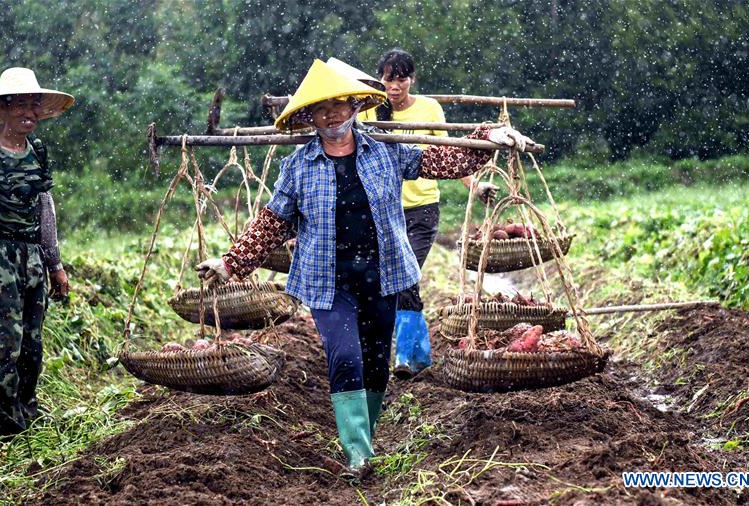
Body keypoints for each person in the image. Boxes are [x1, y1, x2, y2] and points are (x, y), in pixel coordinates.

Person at [196, 59, 531, 472]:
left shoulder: (385, 151)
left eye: (341, 105)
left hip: (383, 274)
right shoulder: (299, 166)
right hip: (328, 282)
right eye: (322, 108)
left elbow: (442, 162)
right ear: (310, 117)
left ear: (355, 106)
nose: (333, 114)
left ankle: (365, 434)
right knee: (345, 356)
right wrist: (229, 264)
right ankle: (356, 451)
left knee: (375, 361)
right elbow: (272, 222)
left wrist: (488, 136)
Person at [360, 49, 497, 379]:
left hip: (422, 211)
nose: (395, 86)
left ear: (412, 80)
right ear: (380, 79)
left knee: (406, 277)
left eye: (402, 79)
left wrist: (475, 187)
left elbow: (451, 155)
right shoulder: (367, 111)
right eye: (389, 79)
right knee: (386, 282)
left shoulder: (429, 109)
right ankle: (415, 355)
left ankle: (406, 356)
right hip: (382, 213)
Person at [0, 67, 74, 436]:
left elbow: (44, 209)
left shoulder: (37, 150)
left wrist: (55, 264)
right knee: (1, 344)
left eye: (35, 106)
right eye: (23, 105)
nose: (31, 113)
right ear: (4, 107)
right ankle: (5, 428)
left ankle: (27, 412)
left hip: (32, 258)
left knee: (31, 344)